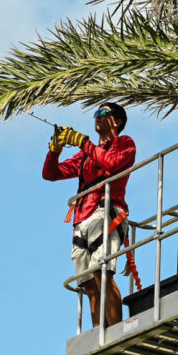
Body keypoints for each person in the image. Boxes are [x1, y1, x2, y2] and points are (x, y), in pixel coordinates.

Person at [42, 102, 136, 327]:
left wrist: (83, 142)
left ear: (117, 121)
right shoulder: (85, 155)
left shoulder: (124, 143)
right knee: (88, 284)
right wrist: (54, 151)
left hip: (106, 213)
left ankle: (115, 332)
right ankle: (99, 334)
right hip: (82, 219)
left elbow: (112, 164)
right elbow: (50, 173)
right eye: (96, 114)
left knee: (103, 273)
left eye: (103, 113)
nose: (98, 117)